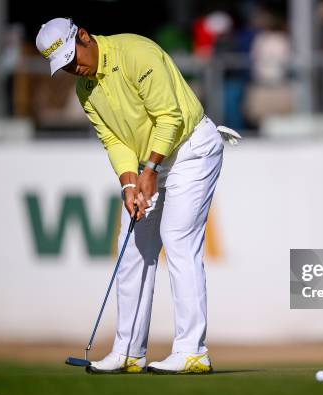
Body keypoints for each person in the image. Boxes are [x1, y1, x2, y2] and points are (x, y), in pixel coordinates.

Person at [36, 17, 238, 374]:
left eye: (73, 57)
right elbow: (114, 140)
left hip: (191, 150)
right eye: (64, 65)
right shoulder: (85, 90)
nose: (73, 68)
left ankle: (193, 351)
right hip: (150, 164)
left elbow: (169, 116)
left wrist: (150, 171)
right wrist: (130, 184)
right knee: (131, 250)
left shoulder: (136, 53)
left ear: (83, 35)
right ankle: (129, 351)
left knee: (177, 239)